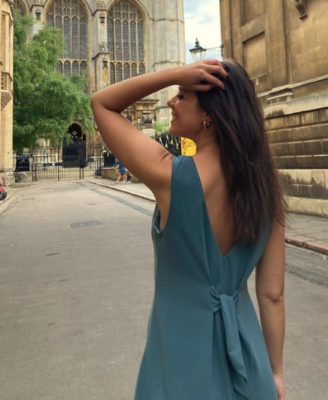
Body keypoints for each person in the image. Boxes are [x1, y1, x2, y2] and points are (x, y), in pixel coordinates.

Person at [91, 59, 286, 400]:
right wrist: (276, 373)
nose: (171, 101)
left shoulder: (173, 178)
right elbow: (272, 296)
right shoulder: (266, 189)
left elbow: (102, 104)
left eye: (181, 95)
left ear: (209, 116)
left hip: (179, 366)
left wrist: (174, 72)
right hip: (250, 368)